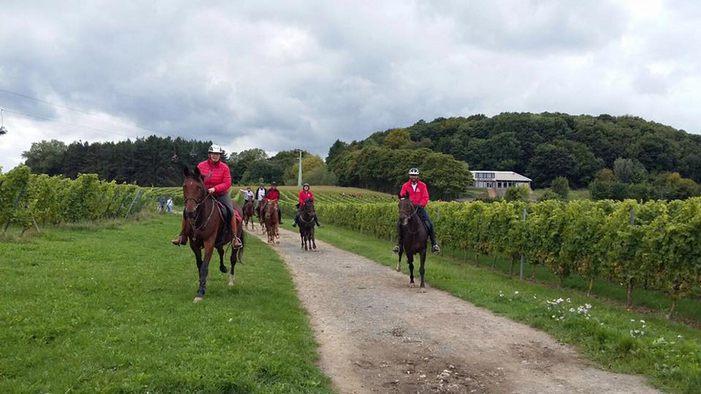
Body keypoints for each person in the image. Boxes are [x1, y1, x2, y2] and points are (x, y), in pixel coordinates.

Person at [171, 144, 241, 247]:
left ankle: (235, 238)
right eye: (213, 154)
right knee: (186, 211)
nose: (215, 156)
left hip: (220, 194)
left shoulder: (224, 167)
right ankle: (182, 236)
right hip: (204, 194)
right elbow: (196, 180)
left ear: (220, 155)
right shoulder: (201, 166)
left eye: (217, 154)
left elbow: (227, 183)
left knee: (230, 211)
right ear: (209, 154)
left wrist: (215, 188)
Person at [393, 168, 440, 254]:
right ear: (409, 176)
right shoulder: (405, 186)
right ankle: (398, 245)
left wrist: (421, 204)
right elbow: (403, 196)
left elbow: (425, 197)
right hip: (408, 209)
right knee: (399, 223)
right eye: (412, 175)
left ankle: (434, 244)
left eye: (415, 175)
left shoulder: (423, 185)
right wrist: (406, 202)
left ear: (417, 176)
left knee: (429, 223)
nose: (413, 177)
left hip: (419, 208)